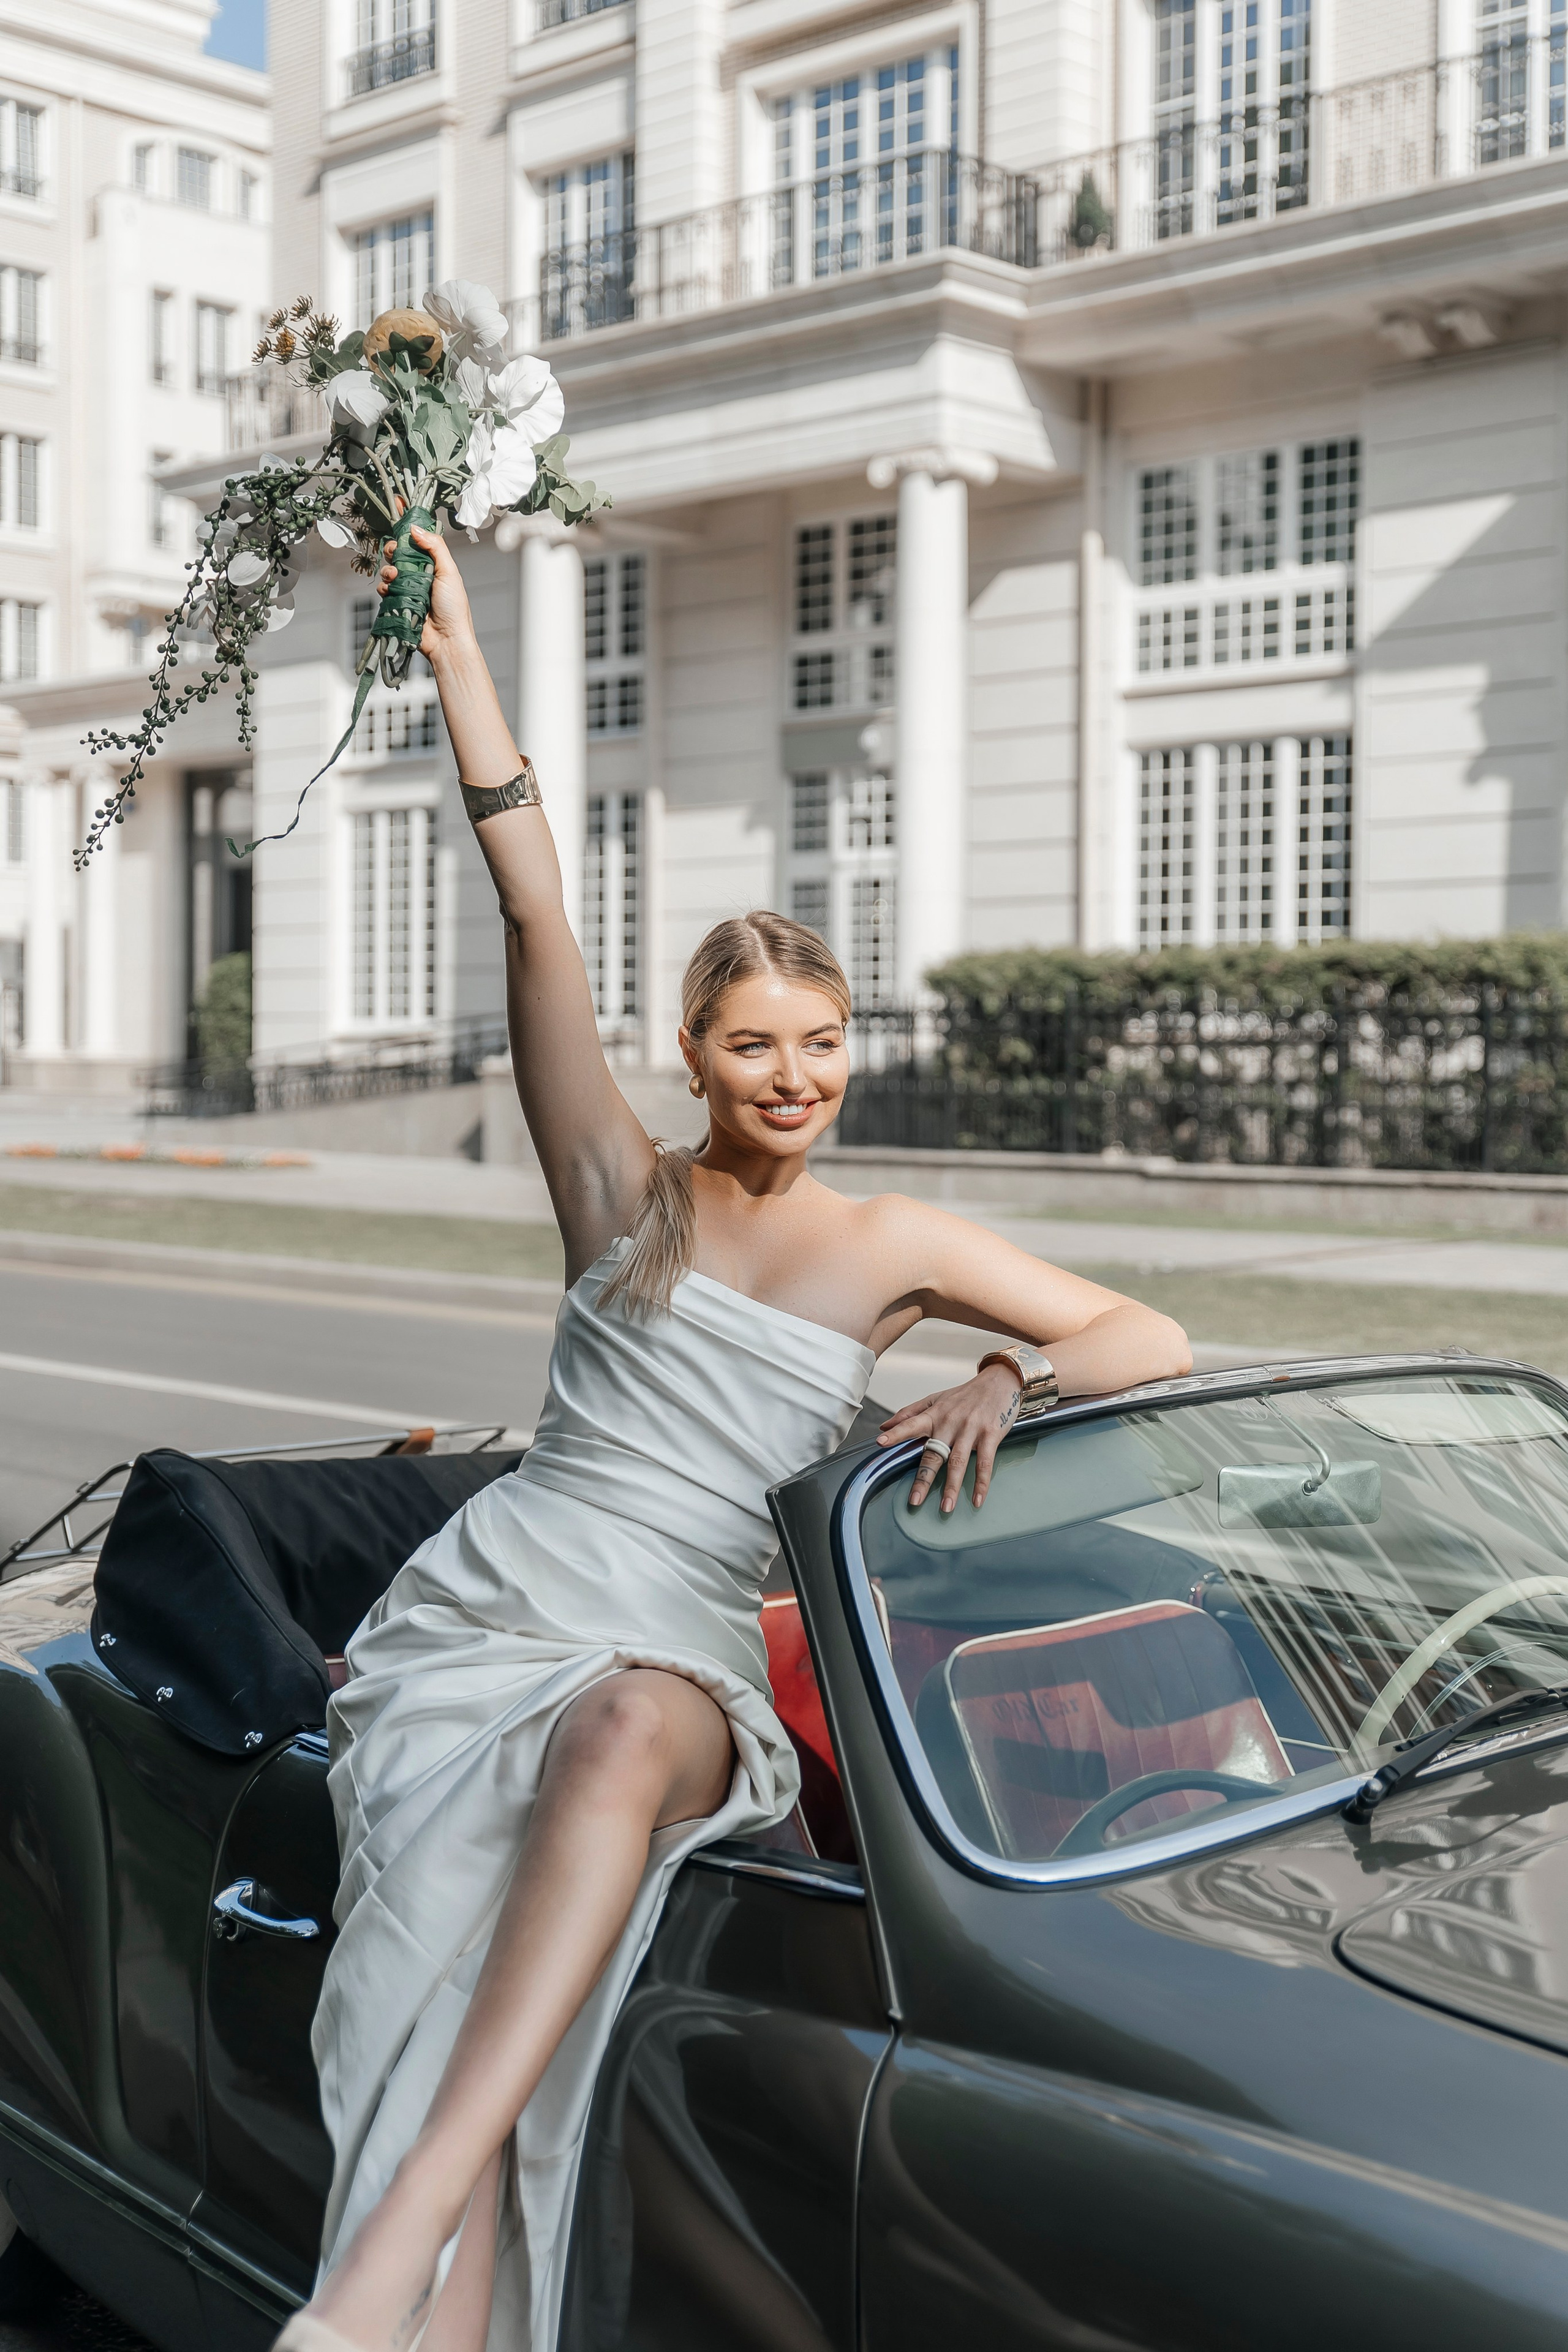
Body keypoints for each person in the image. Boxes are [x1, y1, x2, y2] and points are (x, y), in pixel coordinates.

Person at [280, 524, 1190, 2352]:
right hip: (491, 1623)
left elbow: (1146, 1336)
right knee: (425, 1970)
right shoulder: (621, 1190)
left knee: (629, 1724)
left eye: (828, 1042)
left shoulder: (897, 1248)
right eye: (760, 1043)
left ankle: (389, 2252)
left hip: (674, 1654)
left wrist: (1006, 1380)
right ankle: (419, 2293)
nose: (798, 1075)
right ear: (694, 1051)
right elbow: (538, 908)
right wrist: (459, 660)